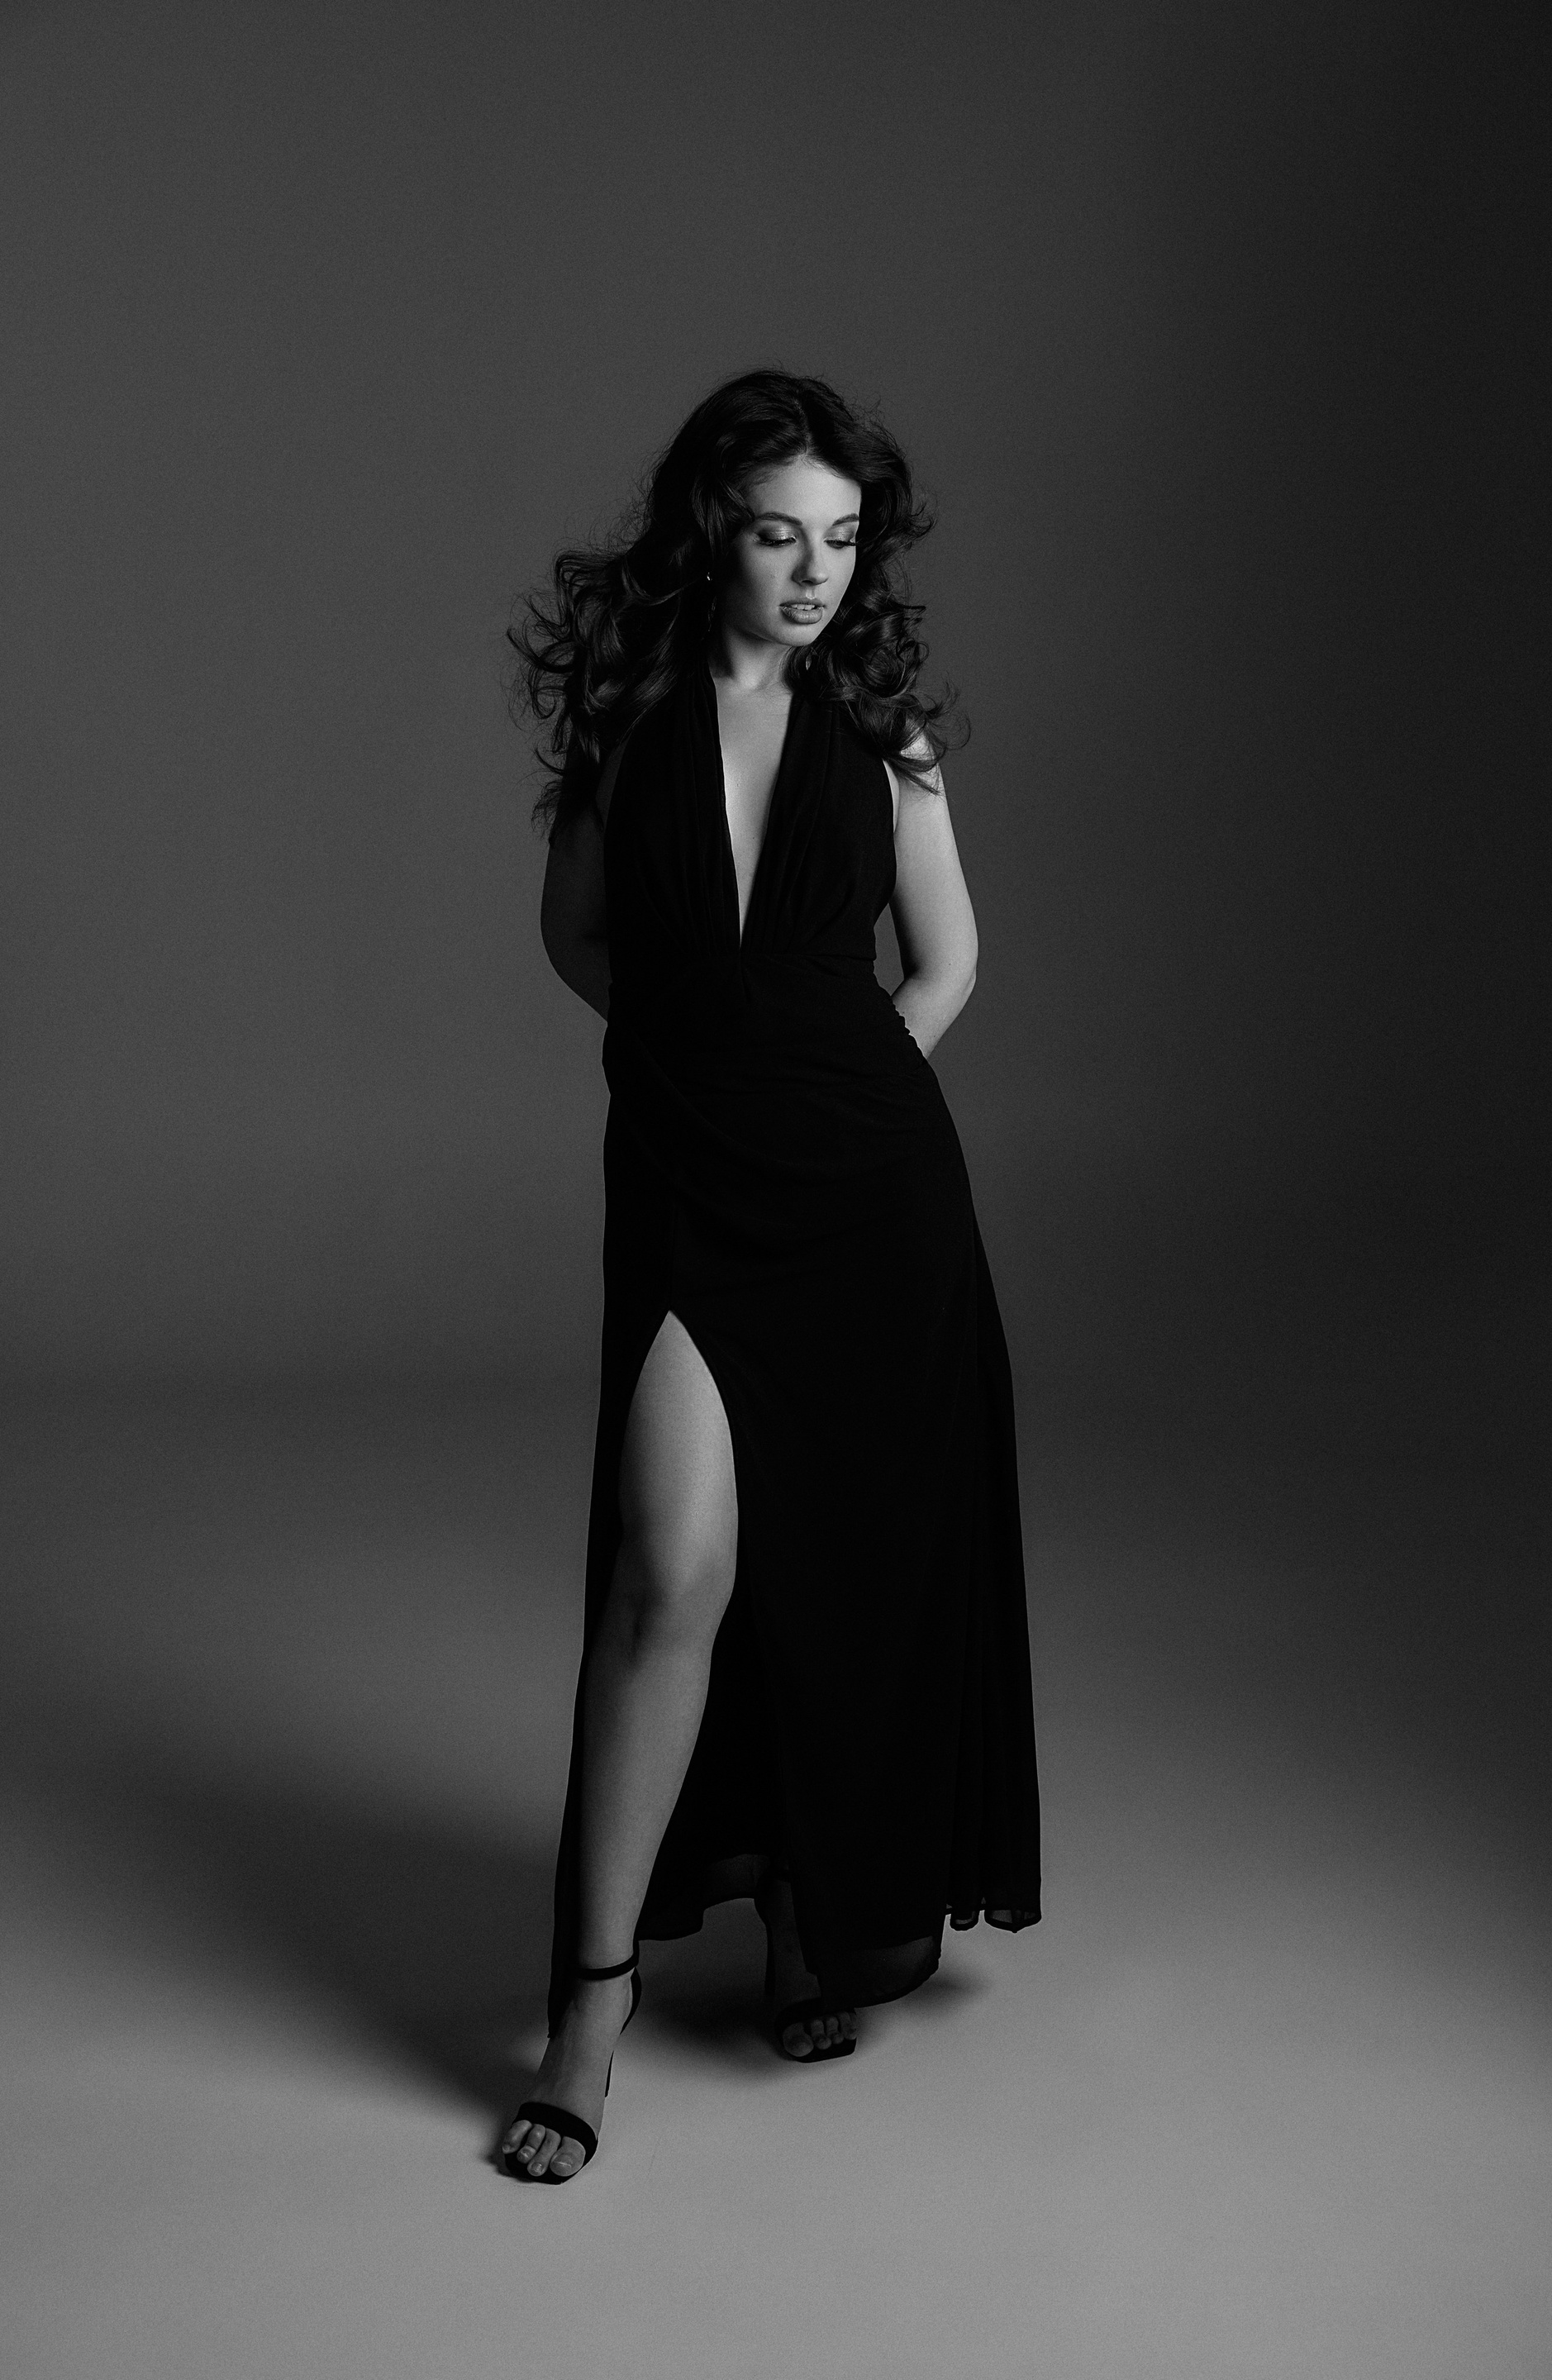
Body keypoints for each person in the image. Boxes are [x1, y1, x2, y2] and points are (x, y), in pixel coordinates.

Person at [499, 370, 1040, 2183]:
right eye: (774, 535)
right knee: (670, 1569)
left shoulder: (884, 736)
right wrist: (696, 1080)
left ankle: (815, 1909)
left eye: (843, 540)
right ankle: (588, 2009)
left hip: (872, 1206)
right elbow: (577, 936)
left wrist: (831, 1109)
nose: (814, 573)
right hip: (688, 1195)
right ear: (707, 535)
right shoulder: (631, 724)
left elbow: (946, 966)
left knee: (836, 1570)